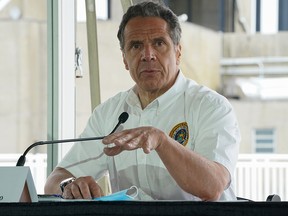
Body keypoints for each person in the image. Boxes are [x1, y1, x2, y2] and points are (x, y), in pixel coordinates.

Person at [44, 1, 240, 201]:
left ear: (178, 52)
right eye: (136, 46)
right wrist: (69, 186)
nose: (148, 55)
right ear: (124, 59)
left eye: (159, 43)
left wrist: (162, 142)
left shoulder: (211, 106)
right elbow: (55, 180)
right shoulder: (109, 113)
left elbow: (213, 186)